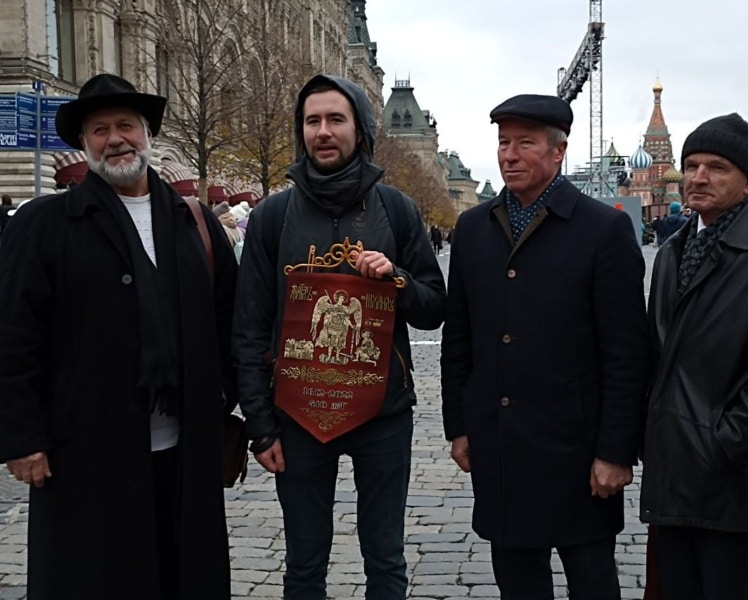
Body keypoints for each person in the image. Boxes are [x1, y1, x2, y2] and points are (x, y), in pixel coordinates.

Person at [0, 73, 236, 600]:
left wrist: (225, 399)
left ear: (147, 134)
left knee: (182, 576)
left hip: (185, 448)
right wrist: (21, 437)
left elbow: (228, 319)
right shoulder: (44, 223)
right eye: (99, 129)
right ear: (85, 143)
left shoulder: (192, 219)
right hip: (83, 452)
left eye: (126, 125)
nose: (115, 139)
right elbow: (14, 336)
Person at [232, 74, 445, 599]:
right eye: (312, 121)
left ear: (360, 129)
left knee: (386, 562)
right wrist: (260, 426)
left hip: (382, 415)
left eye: (335, 119)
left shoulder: (397, 209)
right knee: (304, 566)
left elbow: (433, 308)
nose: (323, 132)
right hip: (297, 416)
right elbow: (249, 325)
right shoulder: (270, 217)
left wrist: (395, 278)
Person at [441, 94, 648, 599]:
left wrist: (616, 451)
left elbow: (627, 352)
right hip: (501, 444)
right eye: (503, 142)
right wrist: (459, 426)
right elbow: (459, 337)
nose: (509, 155)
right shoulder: (473, 228)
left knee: (591, 579)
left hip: (576, 450)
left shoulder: (604, 229)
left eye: (524, 143)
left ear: (558, 152)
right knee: (517, 580)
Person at [640, 113, 748, 600]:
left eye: (717, 167)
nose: (699, 177)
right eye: (692, 165)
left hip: (735, 482)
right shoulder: (676, 248)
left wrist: (721, 445)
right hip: (675, 473)